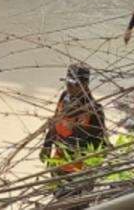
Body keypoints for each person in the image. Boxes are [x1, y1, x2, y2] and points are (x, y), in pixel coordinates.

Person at [41, 64, 108, 199]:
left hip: (79, 169)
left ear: (85, 85)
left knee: (75, 203)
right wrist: (47, 145)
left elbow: (100, 145)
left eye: (74, 85)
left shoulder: (94, 110)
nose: (69, 88)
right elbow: (54, 123)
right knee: (59, 199)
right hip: (58, 162)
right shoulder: (64, 97)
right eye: (68, 83)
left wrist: (76, 130)